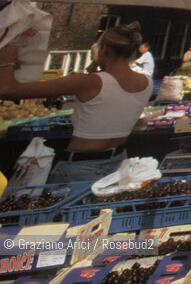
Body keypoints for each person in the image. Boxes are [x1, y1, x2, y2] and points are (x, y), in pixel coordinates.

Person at [0, 22, 152, 183]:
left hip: (81, 166)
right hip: (118, 162)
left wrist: (7, 59)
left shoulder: (88, 82)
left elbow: (7, 90)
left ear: (105, 49)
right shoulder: (146, 83)